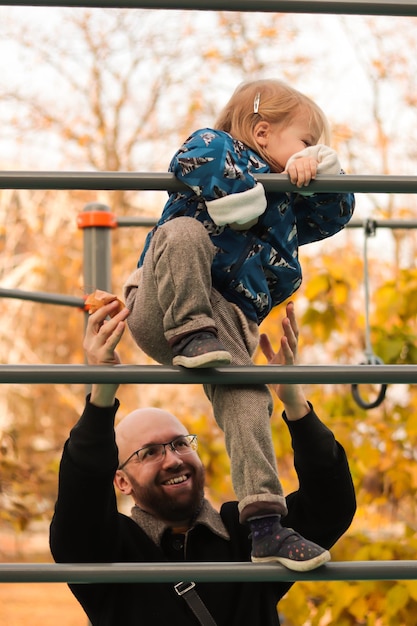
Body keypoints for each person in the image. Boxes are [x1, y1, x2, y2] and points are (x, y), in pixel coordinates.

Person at [123, 79, 355, 563]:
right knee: (182, 230)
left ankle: (266, 525)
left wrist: (320, 166)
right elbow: (195, 151)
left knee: (249, 395)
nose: (312, 151)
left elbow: (336, 214)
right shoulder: (217, 148)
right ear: (263, 131)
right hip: (163, 306)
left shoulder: (287, 202)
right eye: (307, 140)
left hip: (226, 320)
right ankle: (190, 333)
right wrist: (240, 190)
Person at [49, 300, 356, 626]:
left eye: (181, 444)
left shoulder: (253, 532)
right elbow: (80, 499)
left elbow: (331, 506)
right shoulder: (107, 546)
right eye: (149, 452)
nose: (172, 459)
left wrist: (294, 402)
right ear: (121, 481)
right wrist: (101, 397)